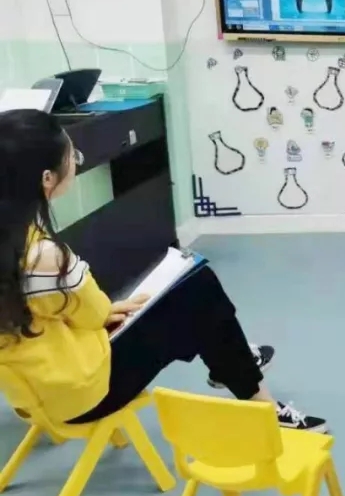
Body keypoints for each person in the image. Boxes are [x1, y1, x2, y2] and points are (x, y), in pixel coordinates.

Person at [0, 110, 325, 432]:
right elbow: (93, 315)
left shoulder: (14, 242)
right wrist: (100, 309)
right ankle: (260, 402)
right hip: (85, 393)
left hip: (36, 392)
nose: (74, 163)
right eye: (73, 157)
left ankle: (230, 359)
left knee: (189, 307)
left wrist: (102, 310)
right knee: (197, 288)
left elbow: (53, 312)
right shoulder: (47, 258)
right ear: (47, 179)